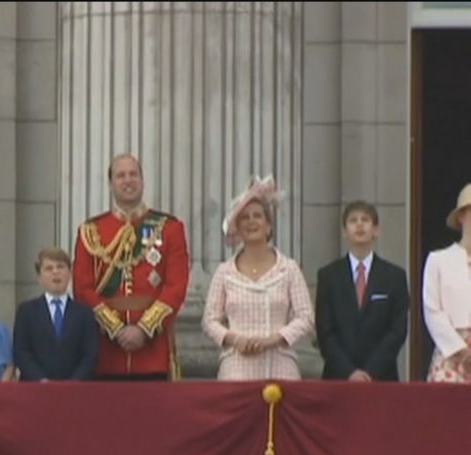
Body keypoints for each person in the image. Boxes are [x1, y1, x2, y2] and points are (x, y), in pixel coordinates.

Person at [72, 154, 190, 380]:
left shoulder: (169, 228)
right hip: (106, 353)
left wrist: (144, 328)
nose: (128, 180)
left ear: (143, 181)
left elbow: (176, 286)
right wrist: (116, 329)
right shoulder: (91, 232)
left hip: (152, 353)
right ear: (110, 184)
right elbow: (82, 288)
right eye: (121, 175)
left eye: (133, 174)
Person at [202, 176, 314, 381]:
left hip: (281, 367)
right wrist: (235, 339)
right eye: (245, 217)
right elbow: (210, 320)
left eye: (257, 216)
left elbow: (305, 317)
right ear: (238, 227)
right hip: (236, 368)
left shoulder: (289, 269)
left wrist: (274, 339)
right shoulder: (224, 272)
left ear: (269, 225)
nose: (252, 221)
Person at [315, 201, 410, 381]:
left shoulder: (394, 276)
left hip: (382, 377)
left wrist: (371, 371)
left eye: (365, 220)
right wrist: (349, 372)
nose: (359, 224)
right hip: (338, 377)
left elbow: (397, 330)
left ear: (376, 230)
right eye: (353, 220)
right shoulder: (328, 276)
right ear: (344, 232)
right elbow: (325, 331)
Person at [12, 248, 99, 382]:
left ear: (70, 274)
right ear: (39, 277)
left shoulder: (84, 313)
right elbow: (21, 352)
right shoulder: (27, 311)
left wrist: (74, 382)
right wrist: (40, 379)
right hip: (36, 388)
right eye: (49, 268)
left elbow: (90, 354)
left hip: (74, 390)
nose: (55, 272)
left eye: (60, 267)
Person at [422, 183, 471, 383]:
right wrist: (461, 351)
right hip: (450, 354)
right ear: (461, 216)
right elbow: (432, 311)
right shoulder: (438, 260)